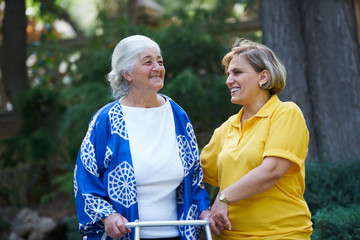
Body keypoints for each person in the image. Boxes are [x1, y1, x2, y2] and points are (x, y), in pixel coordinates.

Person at [74, 35, 211, 240]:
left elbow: (195, 176)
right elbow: (85, 177)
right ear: (127, 74)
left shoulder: (177, 115)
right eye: (148, 62)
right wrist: (108, 216)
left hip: (178, 233)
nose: (157, 67)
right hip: (128, 235)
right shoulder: (107, 119)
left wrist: (204, 209)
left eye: (160, 61)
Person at [201, 38, 313, 239]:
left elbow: (271, 171)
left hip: (280, 234)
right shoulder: (226, 128)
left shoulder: (286, 113)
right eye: (228, 74)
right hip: (228, 236)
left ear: (263, 77)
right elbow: (195, 175)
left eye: (237, 72)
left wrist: (223, 198)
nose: (228, 80)